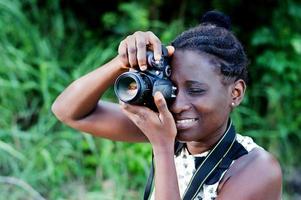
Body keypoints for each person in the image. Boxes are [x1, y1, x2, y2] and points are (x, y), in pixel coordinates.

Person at [52, 11, 282, 200]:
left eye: (195, 90)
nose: (178, 104)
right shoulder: (172, 132)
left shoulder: (256, 169)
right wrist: (122, 63)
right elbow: (68, 111)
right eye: (170, 88)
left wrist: (162, 146)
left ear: (236, 92)